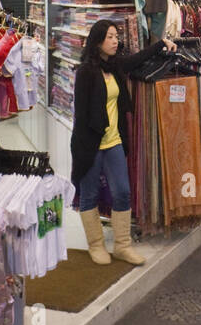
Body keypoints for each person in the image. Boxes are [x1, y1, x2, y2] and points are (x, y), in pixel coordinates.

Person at [72, 19, 176, 265]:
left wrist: (161, 44)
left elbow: (137, 59)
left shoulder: (115, 65)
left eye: (116, 36)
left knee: (123, 192)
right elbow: (81, 115)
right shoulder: (86, 72)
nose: (115, 40)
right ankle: (96, 246)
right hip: (90, 144)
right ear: (97, 41)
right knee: (89, 195)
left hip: (114, 141)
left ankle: (122, 246)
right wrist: (84, 151)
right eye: (109, 36)